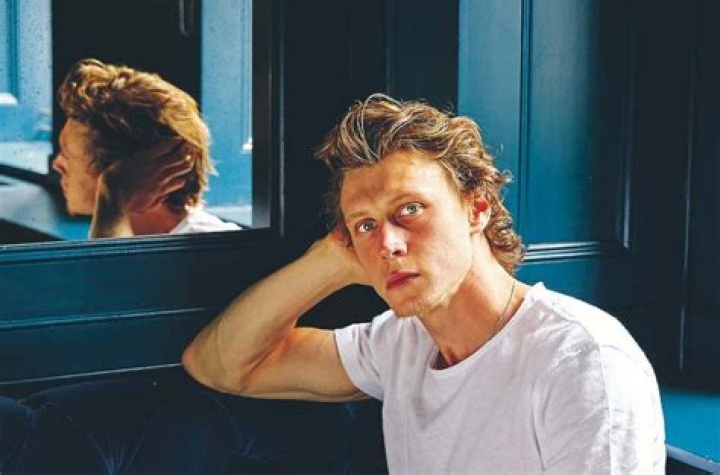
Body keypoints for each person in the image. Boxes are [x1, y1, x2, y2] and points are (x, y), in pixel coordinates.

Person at [183, 95, 666, 473]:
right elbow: (222, 366)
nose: (387, 244)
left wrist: (365, 233)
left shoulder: (580, 360)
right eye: (365, 225)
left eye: (409, 209)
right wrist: (327, 263)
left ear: (477, 208)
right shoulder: (401, 344)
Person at [52, 58, 240, 238]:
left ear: (139, 171)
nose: (56, 164)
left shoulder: (211, 249)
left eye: (67, 154)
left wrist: (113, 194)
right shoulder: (130, 235)